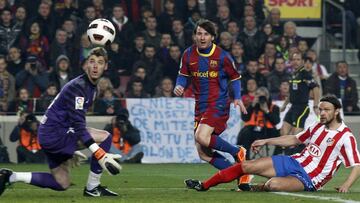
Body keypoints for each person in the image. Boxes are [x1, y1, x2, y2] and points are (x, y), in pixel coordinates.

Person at [0, 47, 122, 197]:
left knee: (61, 183)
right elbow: (78, 126)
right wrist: (99, 153)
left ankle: (11, 176)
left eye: (100, 62)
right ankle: (93, 188)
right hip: (55, 134)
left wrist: (70, 148)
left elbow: (72, 120)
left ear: (106, 66)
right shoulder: (80, 88)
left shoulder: (90, 88)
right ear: (86, 65)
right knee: (105, 137)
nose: (96, 66)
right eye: (92, 61)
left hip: (49, 135)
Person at [185, 95, 360, 193]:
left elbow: (357, 165)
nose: (322, 113)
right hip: (293, 161)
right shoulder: (317, 126)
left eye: (326, 110)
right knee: (246, 165)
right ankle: (204, 185)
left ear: (337, 111)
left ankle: (256, 187)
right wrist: (266, 140)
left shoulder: (345, 136)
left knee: (274, 185)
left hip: (309, 179)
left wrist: (346, 185)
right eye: (320, 109)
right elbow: (294, 139)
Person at [173, 19, 250, 189]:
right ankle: (239, 172)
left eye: (206, 34)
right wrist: (179, 85)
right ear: (195, 36)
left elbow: (235, 77)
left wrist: (237, 96)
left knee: (201, 136)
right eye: (199, 33)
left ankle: (237, 151)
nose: (202, 37)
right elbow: (183, 75)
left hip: (218, 103)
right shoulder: (188, 54)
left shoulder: (222, 56)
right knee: (203, 153)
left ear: (212, 37)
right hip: (200, 106)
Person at [280, 51, 320, 155]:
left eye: (298, 59)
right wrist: (284, 105)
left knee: (295, 135)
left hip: (302, 108)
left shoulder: (305, 74)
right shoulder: (294, 75)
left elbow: (316, 88)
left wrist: (316, 105)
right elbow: (291, 93)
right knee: (283, 132)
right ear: (291, 62)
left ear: (302, 61)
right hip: (292, 107)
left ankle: (295, 157)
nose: (296, 62)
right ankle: (288, 155)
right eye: (294, 60)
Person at [237, 87, 280, 160]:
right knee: (245, 133)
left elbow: (276, 121)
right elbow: (245, 118)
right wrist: (252, 105)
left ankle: (275, 159)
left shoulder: (274, 107)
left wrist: (267, 111)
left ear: (268, 96)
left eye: (263, 96)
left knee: (279, 135)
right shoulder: (252, 105)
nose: (262, 99)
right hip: (253, 130)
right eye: (259, 96)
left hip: (268, 131)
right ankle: (245, 159)